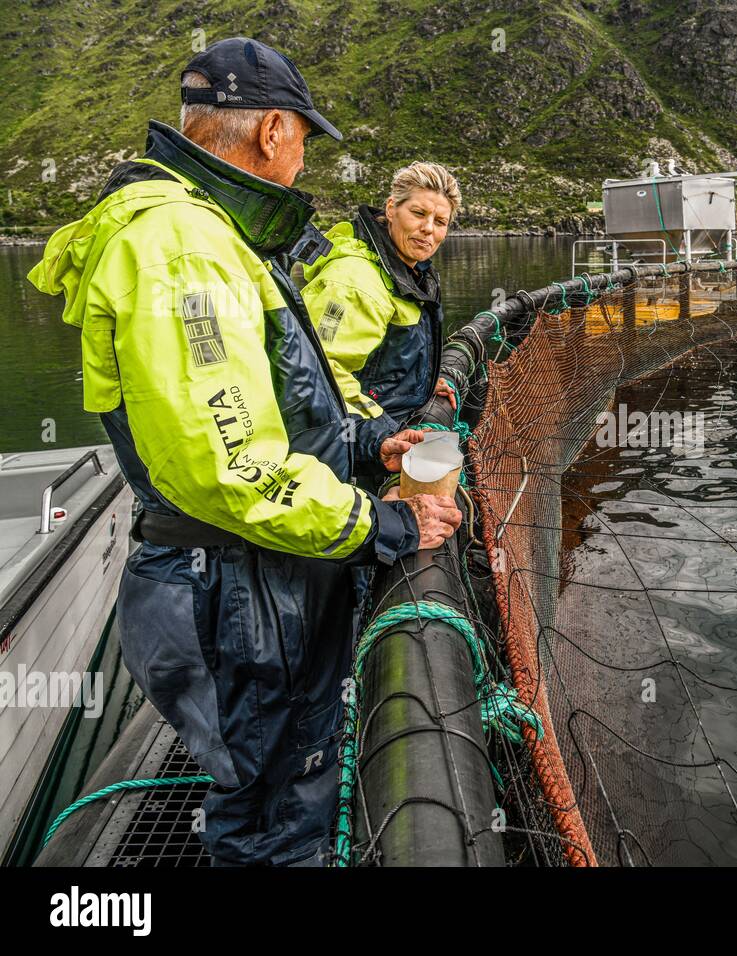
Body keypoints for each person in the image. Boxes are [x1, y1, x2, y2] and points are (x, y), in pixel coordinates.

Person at [27, 37, 462, 866]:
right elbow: (232, 468)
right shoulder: (184, 248)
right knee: (273, 817)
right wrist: (388, 525)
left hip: (248, 581)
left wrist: (368, 437)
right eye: (304, 139)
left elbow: (273, 399)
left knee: (275, 789)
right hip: (236, 592)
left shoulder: (204, 233)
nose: (302, 161)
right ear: (272, 130)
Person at [301, 162, 461, 444]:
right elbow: (321, 377)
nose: (427, 229)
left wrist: (421, 382)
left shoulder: (407, 269)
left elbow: (382, 364)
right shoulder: (353, 281)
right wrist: (384, 436)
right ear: (391, 209)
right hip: (352, 446)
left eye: (440, 222)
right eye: (418, 213)